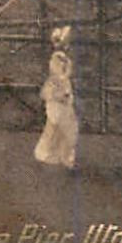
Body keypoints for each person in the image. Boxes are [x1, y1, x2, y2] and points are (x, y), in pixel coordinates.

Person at [34, 42, 78, 170]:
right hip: (56, 108)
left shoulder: (65, 79)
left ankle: (65, 156)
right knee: (54, 130)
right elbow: (45, 94)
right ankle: (47, 153)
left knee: (69, 131)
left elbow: (68, 93)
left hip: (65, 109)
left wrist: (67, 98)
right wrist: (59, 97)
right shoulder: (53, 80)